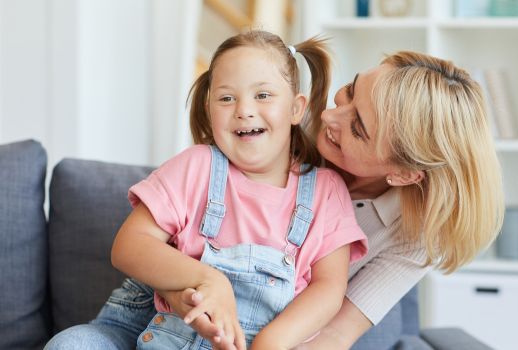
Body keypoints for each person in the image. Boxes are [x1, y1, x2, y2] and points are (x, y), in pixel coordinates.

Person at [46, 45, 504, 350]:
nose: (330, 115)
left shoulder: (398, 231)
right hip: (167, 302)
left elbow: (334, 327)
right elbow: (152, 244)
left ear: (405, 173)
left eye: (358, 126)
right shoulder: (269, 127)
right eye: (348, 91)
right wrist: (206, 287)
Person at [47, 30, 369, 350]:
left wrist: (271, 343)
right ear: (210, 107)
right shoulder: (197, 166)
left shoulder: (325, 191)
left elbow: (329, 287)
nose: (244, 109)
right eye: (227, 98)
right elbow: (129, 246)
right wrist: (210, 280)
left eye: (263, 95)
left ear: (296, 109)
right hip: (145, 330)